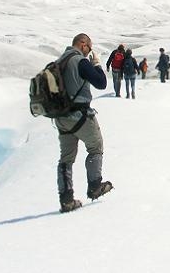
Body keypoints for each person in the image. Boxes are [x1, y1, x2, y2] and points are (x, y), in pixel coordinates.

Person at [55, 33, 112, 213]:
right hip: (79, 115)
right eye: (89, 47)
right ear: (82, 44)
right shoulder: (79, 60)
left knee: (66, 159)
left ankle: (66, 200)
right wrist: (95, 64)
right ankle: (95, 186)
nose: (89, 52)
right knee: (96, 146)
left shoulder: (60, 61)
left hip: (61, 117)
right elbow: (101, 83)